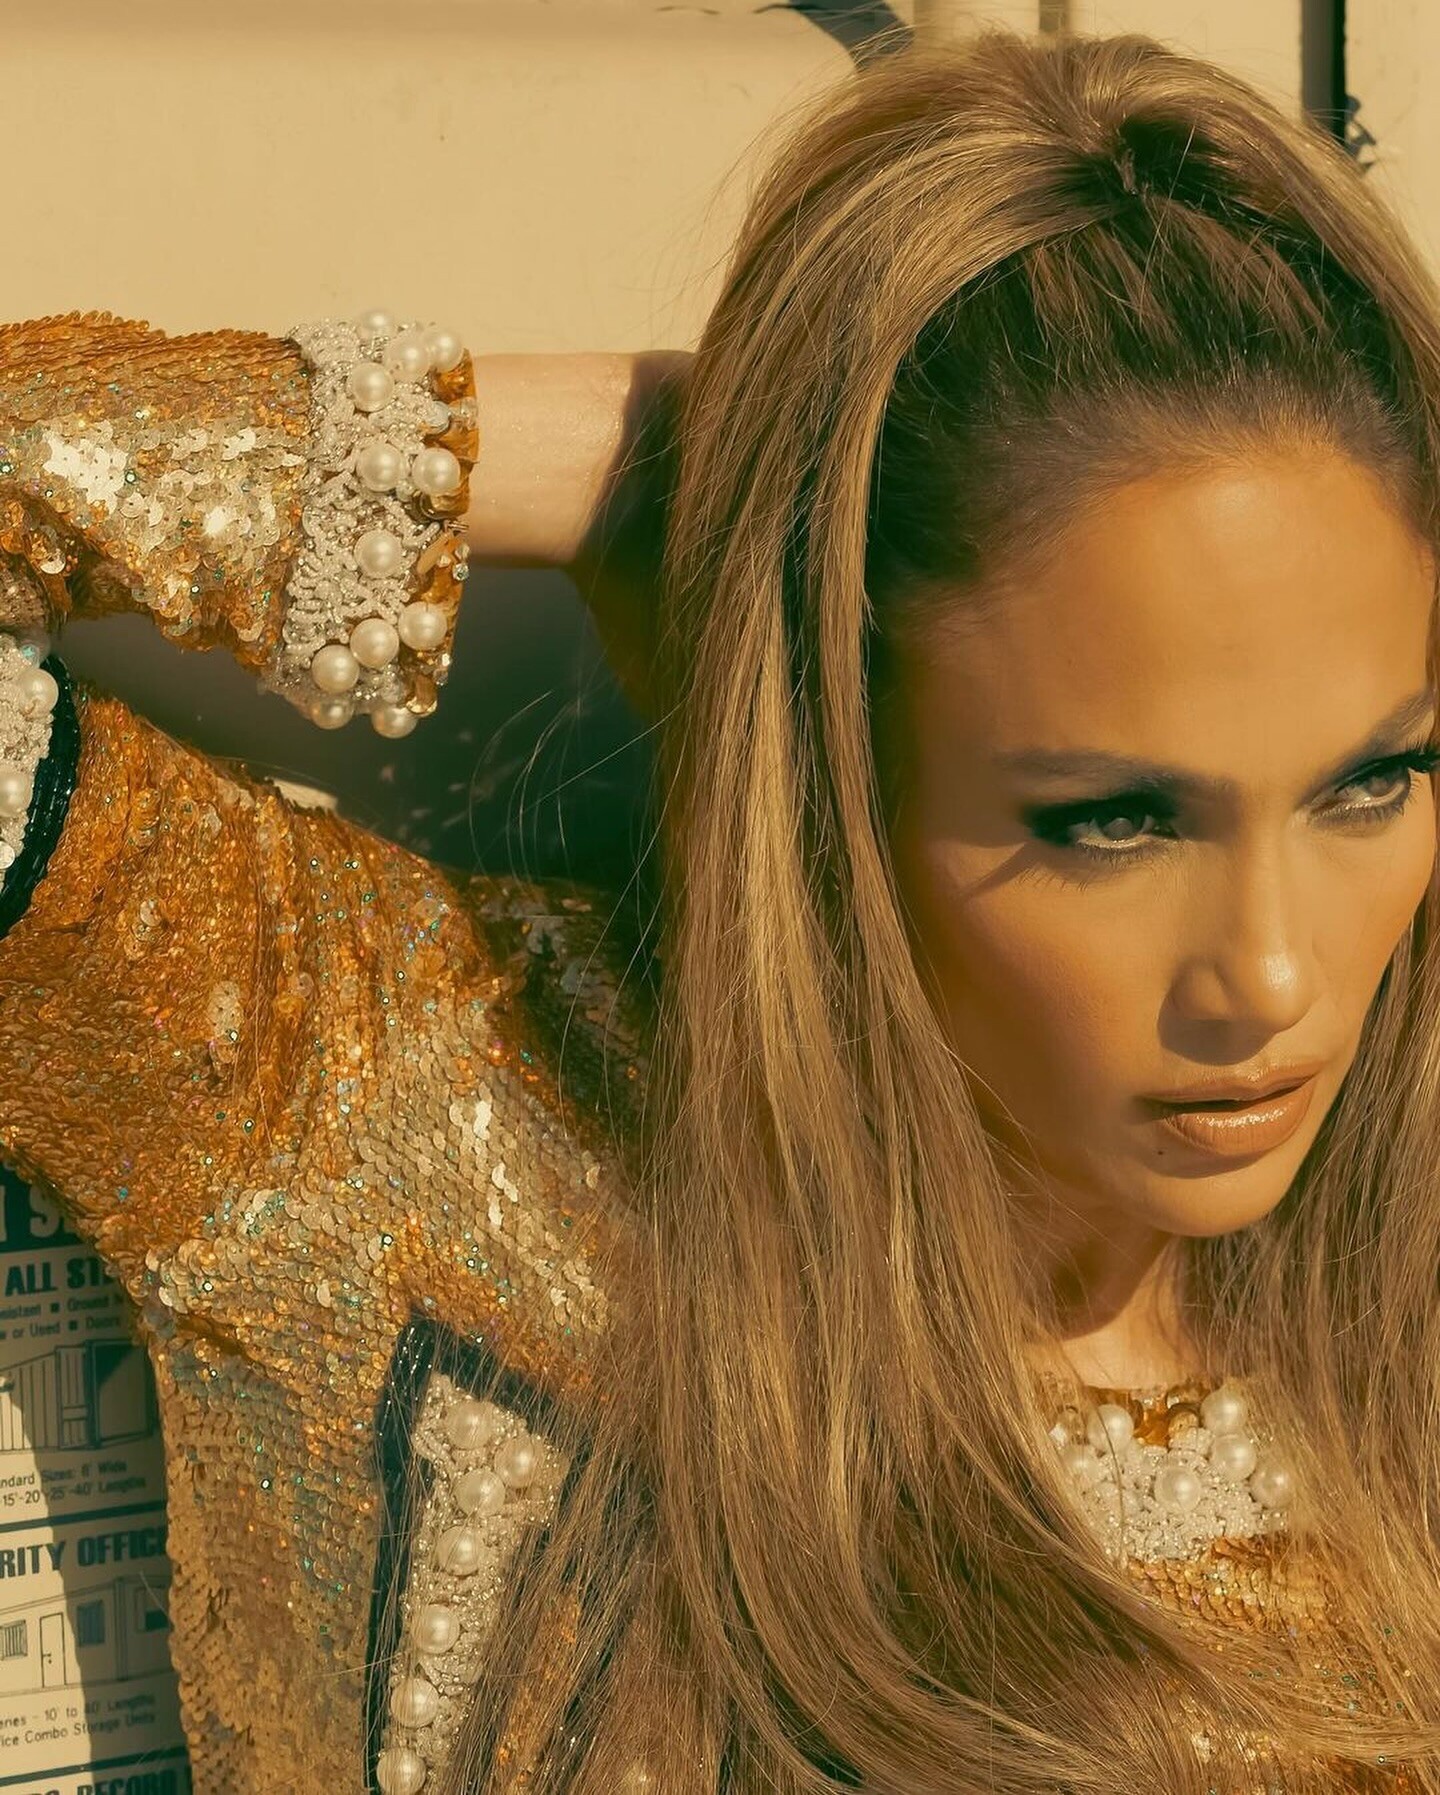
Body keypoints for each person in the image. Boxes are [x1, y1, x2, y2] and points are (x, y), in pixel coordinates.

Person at [0, 23, 1438, 1794]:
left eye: (1373, 783)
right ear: (834, 756)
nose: (1274, 978)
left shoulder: (1396, 1346)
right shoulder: (401, 1101)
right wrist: (587, 455)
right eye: (1114, 821)